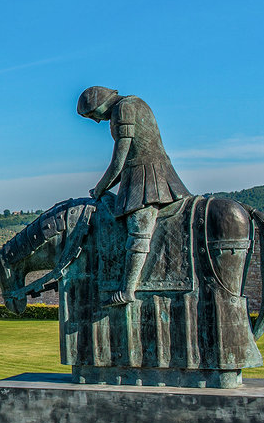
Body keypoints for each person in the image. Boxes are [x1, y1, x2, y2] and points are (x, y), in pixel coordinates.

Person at [78, 86, 191, 306]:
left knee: (139, 232)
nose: (96, 121)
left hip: (148, 176)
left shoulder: (124, 108)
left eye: (92, 115)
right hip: (140, 173)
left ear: (101, 103)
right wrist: (103, 187)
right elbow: (124, 165)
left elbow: (119, 160)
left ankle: (127, 290)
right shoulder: (130, 105)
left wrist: (100, 188)